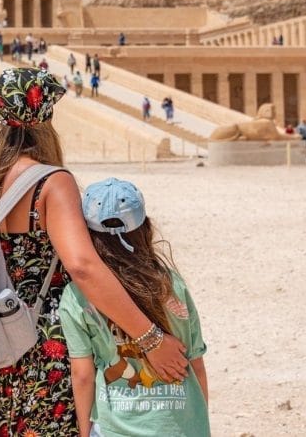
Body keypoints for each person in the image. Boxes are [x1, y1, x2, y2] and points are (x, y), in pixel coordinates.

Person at [0, 68, 190, 436]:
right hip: (37, 356)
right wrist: (150, 339)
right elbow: (83, 267)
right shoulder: (51, 183)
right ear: (44, 121)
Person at [59, 178, 209, 437]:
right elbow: (195, 362)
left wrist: (84, 431)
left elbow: (82, 374)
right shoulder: (170, 285)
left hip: (115, 428)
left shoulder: (76, 297)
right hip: (178, 428)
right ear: (146, 227)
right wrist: (199, 421)